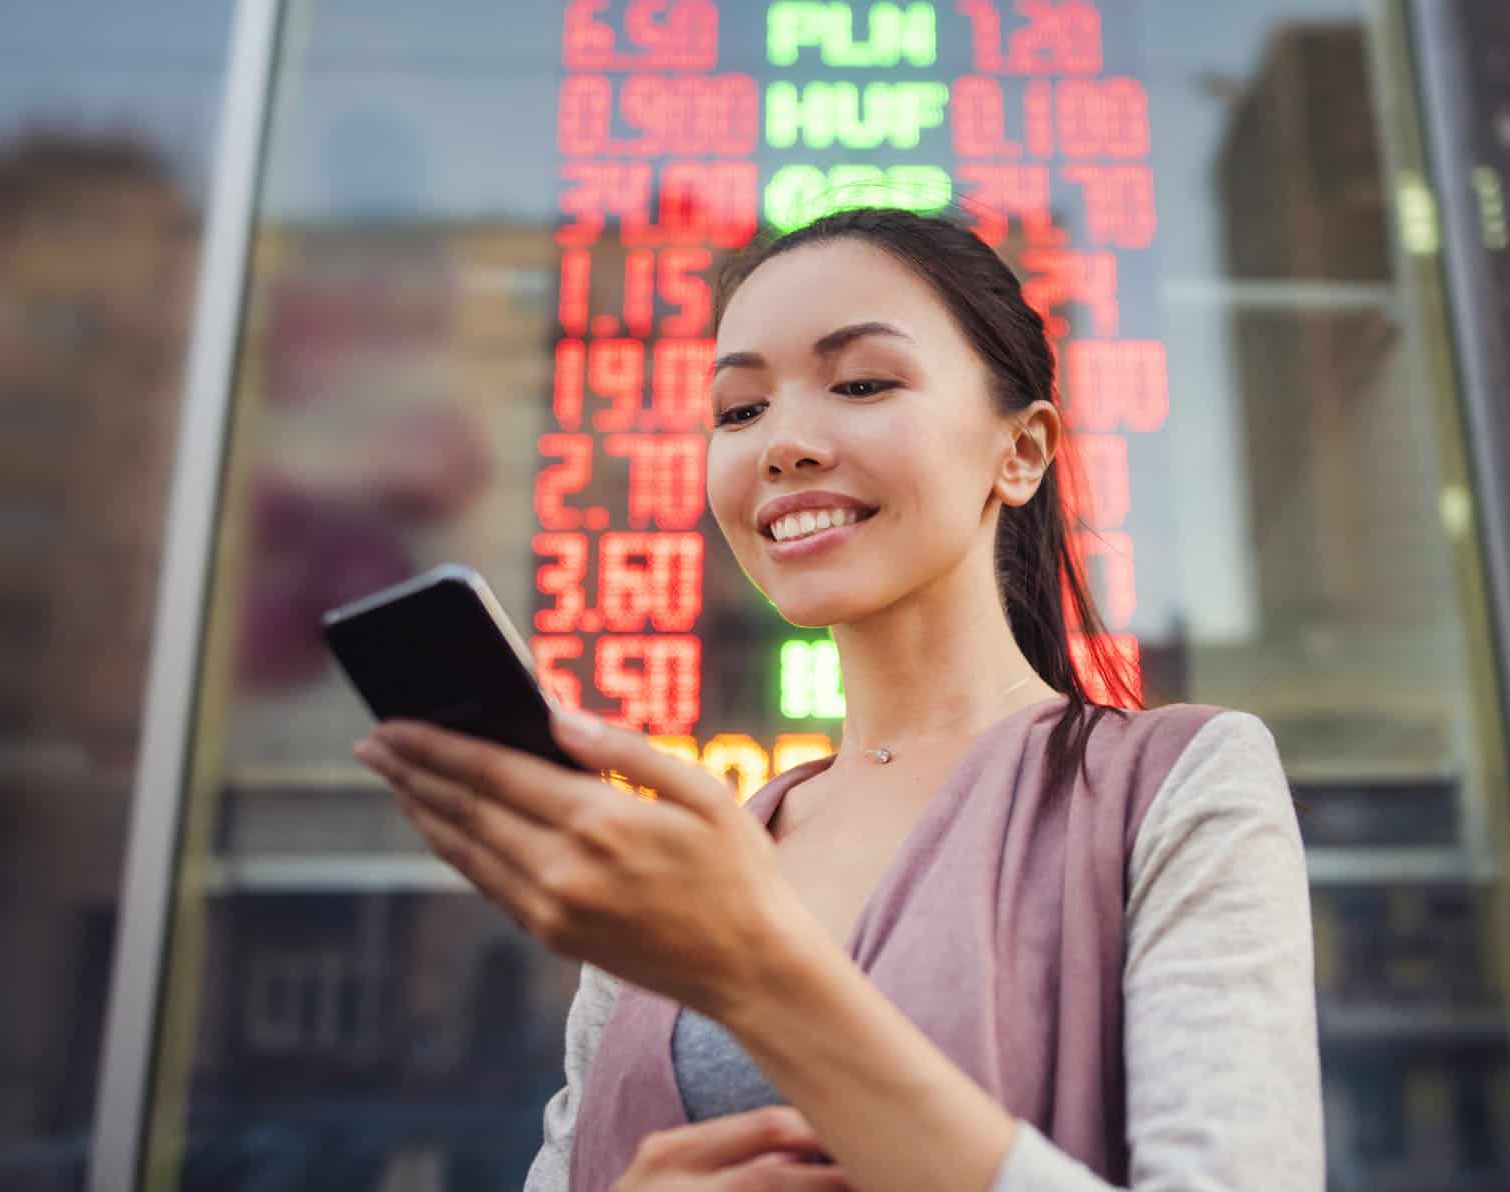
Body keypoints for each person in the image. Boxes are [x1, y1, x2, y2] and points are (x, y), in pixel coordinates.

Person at [352, 208, 1321, 1191]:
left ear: (1021, 450)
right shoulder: (687, 870)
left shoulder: (1178, 787)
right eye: (738, 410)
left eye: (860, 382)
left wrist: (765, 981)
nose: (783, 445)